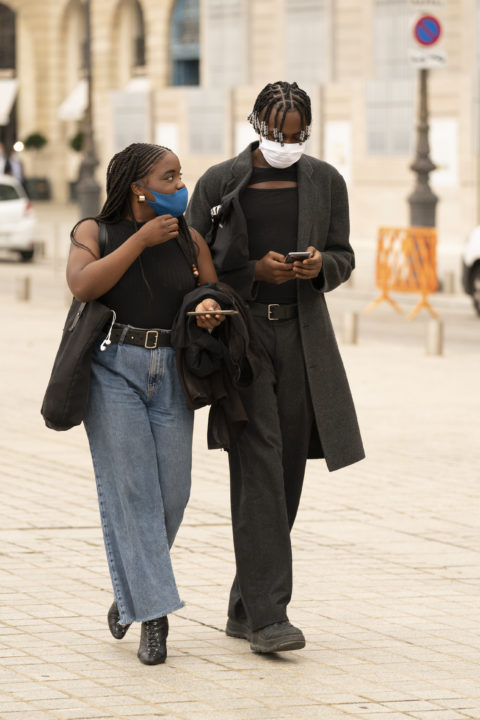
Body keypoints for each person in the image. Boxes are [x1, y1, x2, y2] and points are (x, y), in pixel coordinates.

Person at [186, 81, 365, 654]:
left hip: (303, 340)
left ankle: (244, 605)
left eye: (298, 135)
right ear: (255, 124)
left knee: (286, 474)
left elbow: (344, 255)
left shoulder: (325, 181)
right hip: (244, 337)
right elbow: (194, 263)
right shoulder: (219, 182)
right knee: (259, 465)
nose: (286, 143)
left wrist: (317, 266)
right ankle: (269, 618)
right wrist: (252, 274)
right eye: (276, 133)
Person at [66, 142, 224, 665]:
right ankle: (154, 619)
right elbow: (84, 284)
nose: (181, 187)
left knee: (172, 496)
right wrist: (138, 242)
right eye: (170, 178)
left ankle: (132, 590)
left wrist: (208, 308)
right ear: (138, 186)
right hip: (114, 368)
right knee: (133, 493)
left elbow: (214, 295)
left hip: (172, 372)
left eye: (180, 177)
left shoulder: (189, 238)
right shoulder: (94, 232)